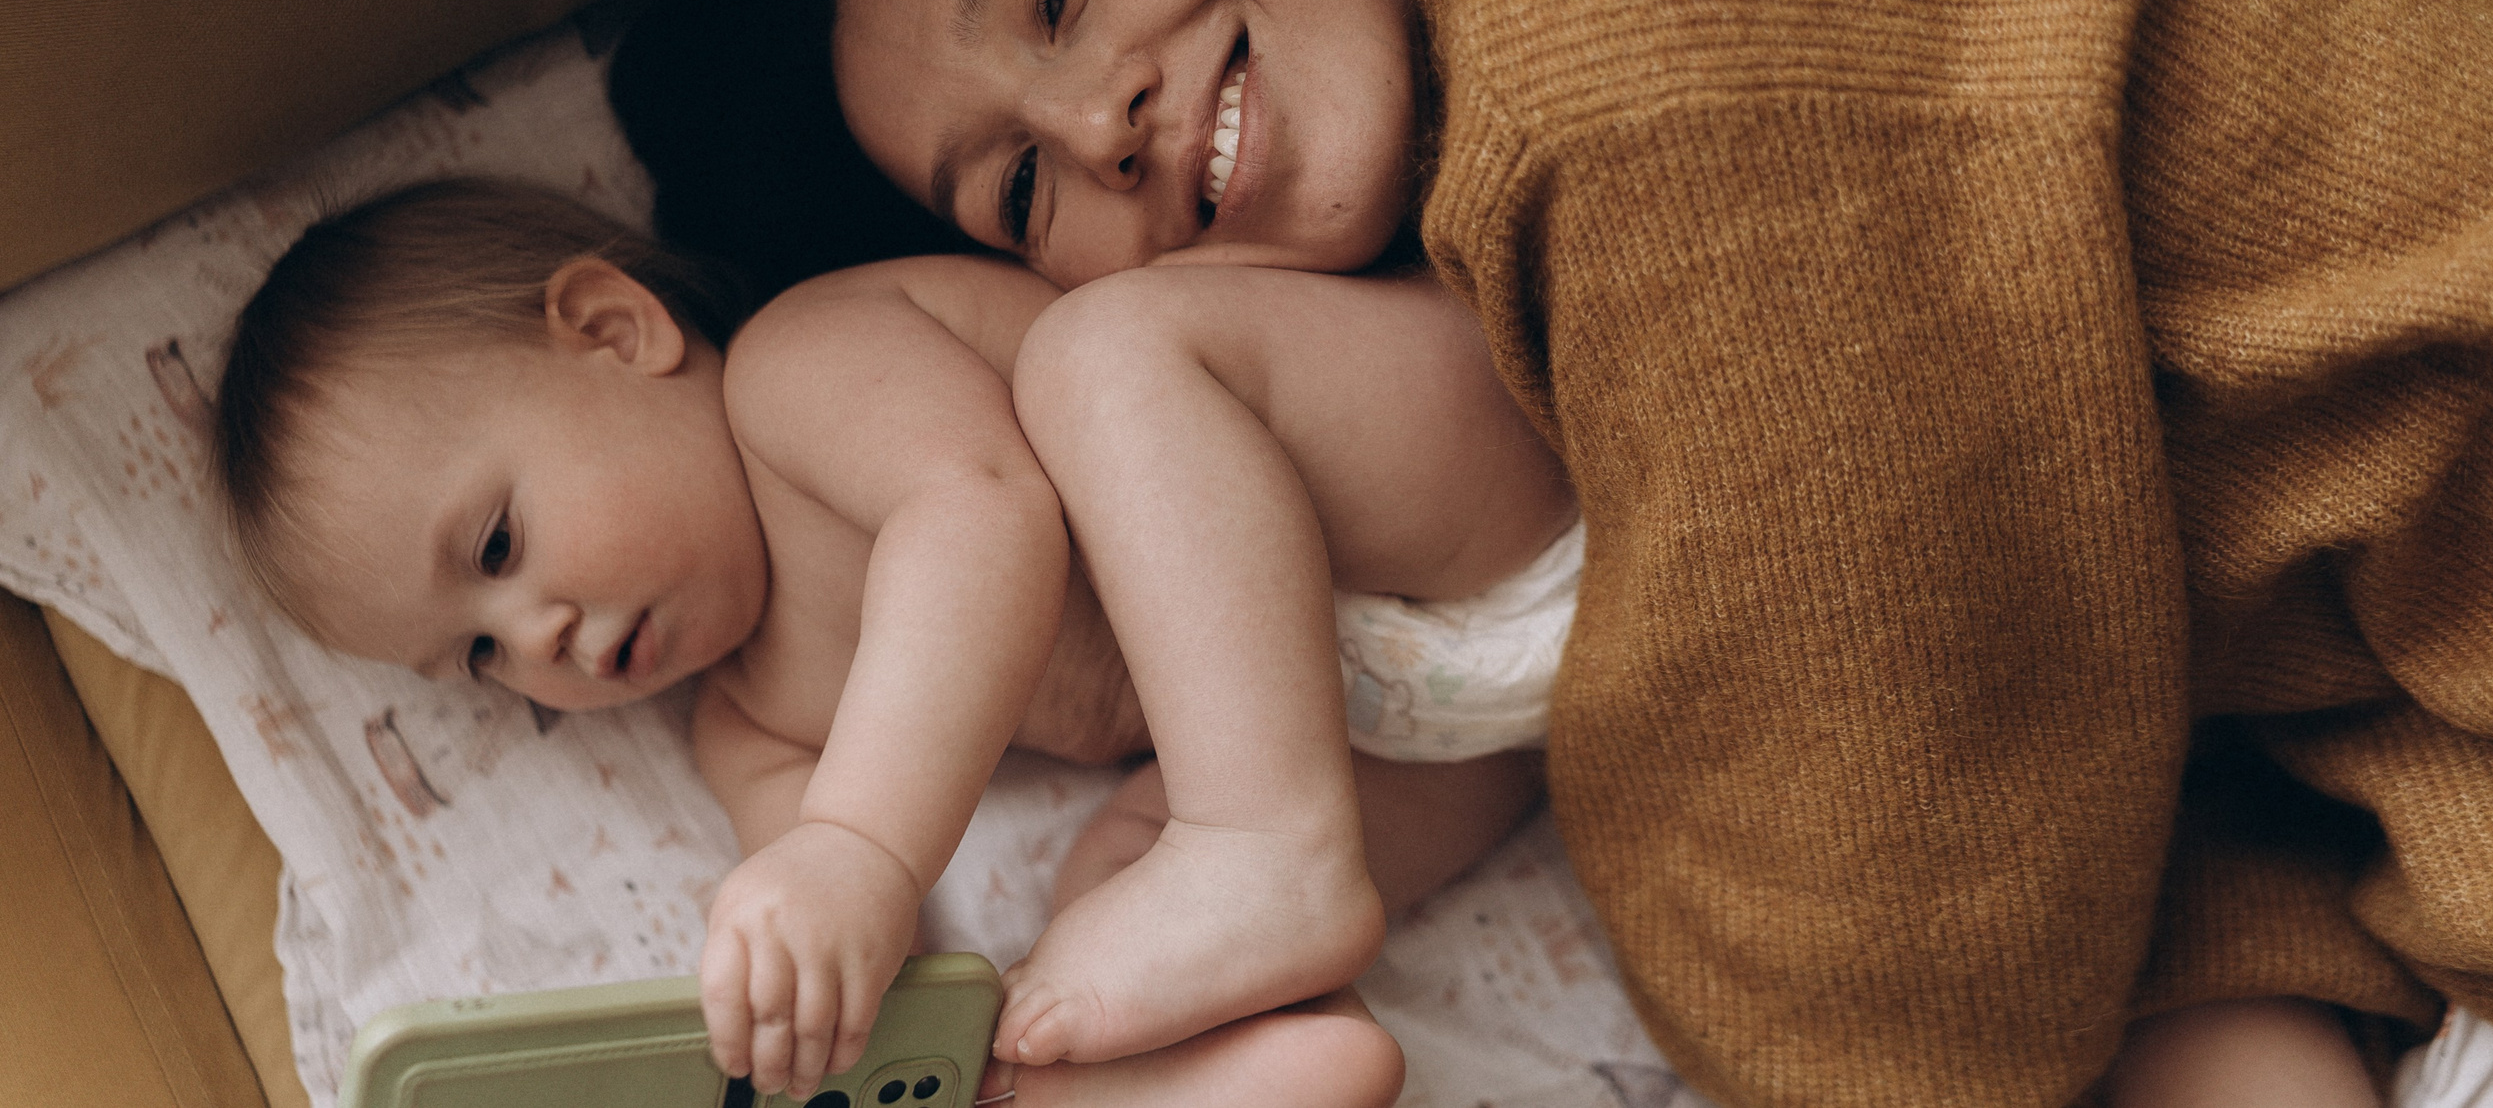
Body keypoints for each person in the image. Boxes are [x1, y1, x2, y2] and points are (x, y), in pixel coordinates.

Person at [608, 0, 2493, 1106]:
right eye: (1017, 195)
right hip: (2342, 679)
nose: (1095, 127)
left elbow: (1874, 821)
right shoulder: (1521, 266)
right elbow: (2071, 682)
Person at [207, 175, 1573, 1104]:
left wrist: (855, 847)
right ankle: (1241, 1070)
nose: (536, 640)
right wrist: (822, 998)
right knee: (1106, 905)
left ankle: (1264, 864)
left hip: (1428, 476)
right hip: (1437, 738)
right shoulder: (748, 726)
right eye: (483, 663)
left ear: (615, 333)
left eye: (499, 549)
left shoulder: (800, 373)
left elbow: (981, 518)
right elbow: (865, 938)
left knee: (1110, 361)